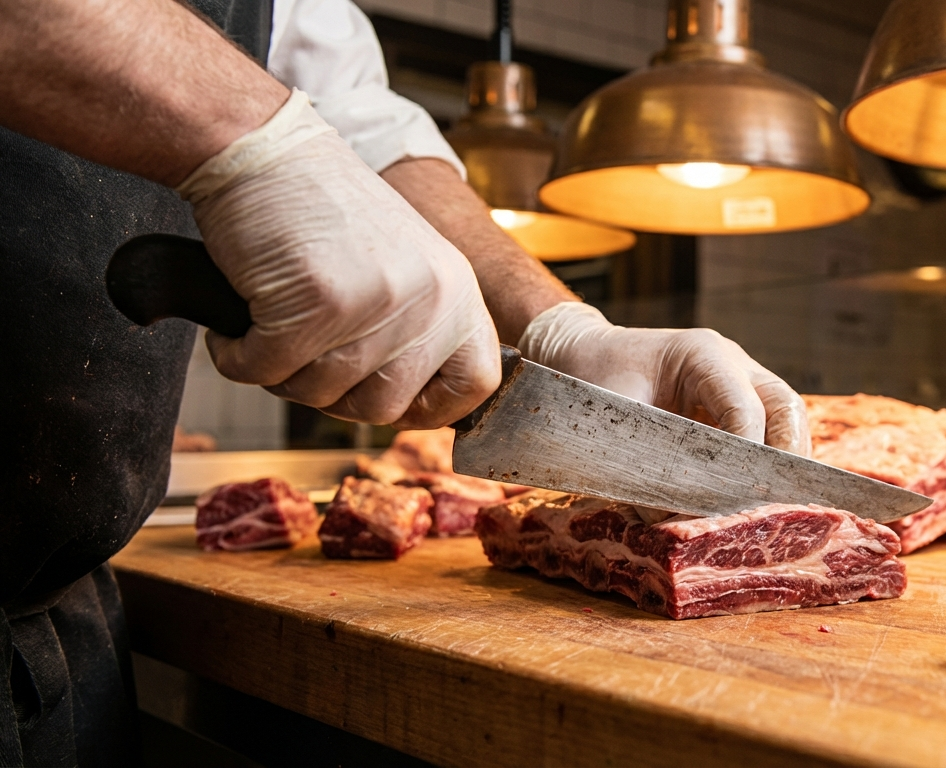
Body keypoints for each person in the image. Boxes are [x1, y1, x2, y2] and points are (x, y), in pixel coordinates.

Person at [0, 1, 808, 764]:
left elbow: (357, 127)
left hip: (52, 627)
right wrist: (254, 141)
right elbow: (290, 133)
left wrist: (561, 327)